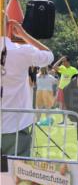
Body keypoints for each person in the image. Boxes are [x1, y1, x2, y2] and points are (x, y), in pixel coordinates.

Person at [1, 22, 54, 167]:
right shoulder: (22, 51)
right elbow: (49, 56)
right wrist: (24, 35)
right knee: (16, 177)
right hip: (16, 125)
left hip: (16, 123)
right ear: (10, 27)